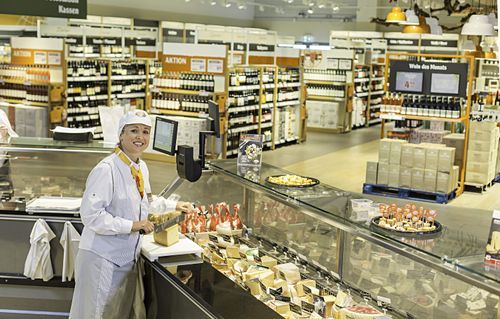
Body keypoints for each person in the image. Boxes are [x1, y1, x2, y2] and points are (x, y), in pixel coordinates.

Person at [69, 110, 193, 319]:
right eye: (133, 131)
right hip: (102, 258)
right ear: (121, 135)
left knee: (113, 313)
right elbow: (91, 216)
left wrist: (175, 205)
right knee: (94, 314)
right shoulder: (107, 169)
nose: (140, 137)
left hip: (124, 258)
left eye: (145, 132)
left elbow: (146, 200)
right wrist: (133, 225)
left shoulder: (140, 167)